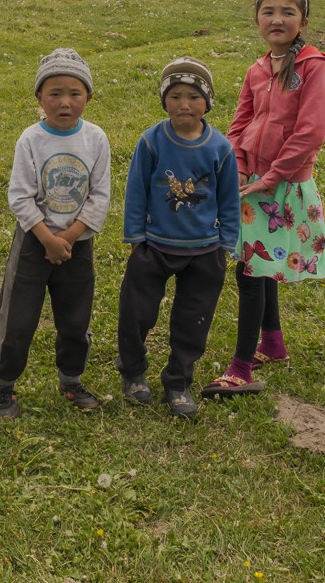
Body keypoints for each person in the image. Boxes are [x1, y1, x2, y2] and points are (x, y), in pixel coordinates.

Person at [204, 0, 325, 398]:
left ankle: (241, 368)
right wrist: (240, 168)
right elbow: (240, 123)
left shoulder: (315, 66)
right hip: (251, 185)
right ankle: (273, 344)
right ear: (257, 19)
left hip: (283, 187)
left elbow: (310, 132)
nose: (277, 19)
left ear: (304, 21)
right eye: (268, 12)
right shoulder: (257, 69)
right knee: (257, 265)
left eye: (288, 12)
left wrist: (270, 177)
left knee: (250, 271)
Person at [0, 48, 111, 417]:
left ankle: (71, 379)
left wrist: (69, 238)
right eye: (54, 94)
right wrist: (47, 238)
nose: (64, 102)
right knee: (18, 320)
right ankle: (4, 386)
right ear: (39, 98)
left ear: (88, 97)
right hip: (33, 242)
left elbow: (100, 196)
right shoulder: (30, 139)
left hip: (78, 246)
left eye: (75, 93)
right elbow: (20, 196)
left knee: (76, 318)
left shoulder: (96, 139)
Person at [116, 58, 240, 418]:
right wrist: (136, 237)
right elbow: (136, 190)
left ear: (208, 101)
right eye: (174, 95)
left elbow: (229, 199)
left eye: (193, 96)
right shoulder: (151, 141)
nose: (184, 104)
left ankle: (178, 380)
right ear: (164, 100)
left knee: (193, 318)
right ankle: (133, 372)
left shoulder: (221, 149)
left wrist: (227, 243)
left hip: (205, 251)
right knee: (136, 312)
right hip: (154, 246)